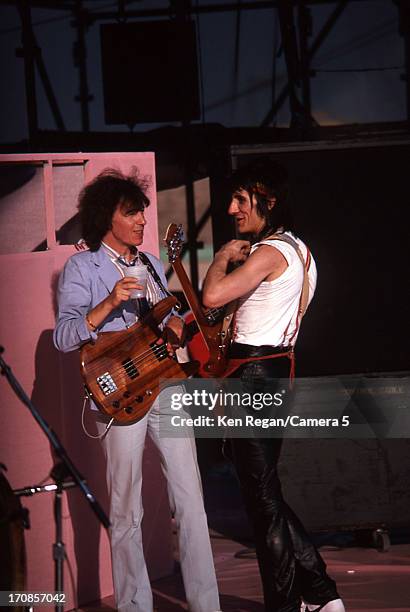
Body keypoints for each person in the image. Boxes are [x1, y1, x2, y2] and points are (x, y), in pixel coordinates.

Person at [54, 169, 220, 612]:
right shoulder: (81, 266)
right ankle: (134, 606)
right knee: (127, 509)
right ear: (107, 217)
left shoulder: (147, 262)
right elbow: (65, 335)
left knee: (191, 499)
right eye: (132, 214)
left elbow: (165, 318)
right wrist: (108, 303)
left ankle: (208, 605)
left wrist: (174, 322)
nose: (143, 222)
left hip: (164, 383)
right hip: (119, 393)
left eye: (142, 214)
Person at [202, 159, 345, 612]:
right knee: (265, 496)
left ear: (268, 199)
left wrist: (222, 257)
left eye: (241, 200)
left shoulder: (269, 251)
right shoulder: (300, 251)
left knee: (262, 501)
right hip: (270, 372)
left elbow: (211, 297)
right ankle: (321, 596)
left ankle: (292, 602)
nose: (231, 209)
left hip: (255, 374)